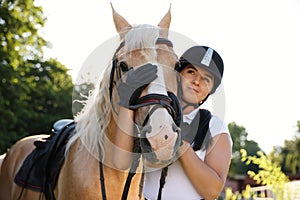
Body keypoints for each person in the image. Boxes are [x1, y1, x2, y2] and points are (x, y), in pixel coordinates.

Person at [113, 46, 232, 200]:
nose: (197, 81)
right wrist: (127, 103)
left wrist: (179, 142)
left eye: (206, 79)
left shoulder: (215, 127)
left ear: (210, 90)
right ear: (177, 74)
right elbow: (120, 162)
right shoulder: (150, 115)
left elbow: (211, 192)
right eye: (191, 72)